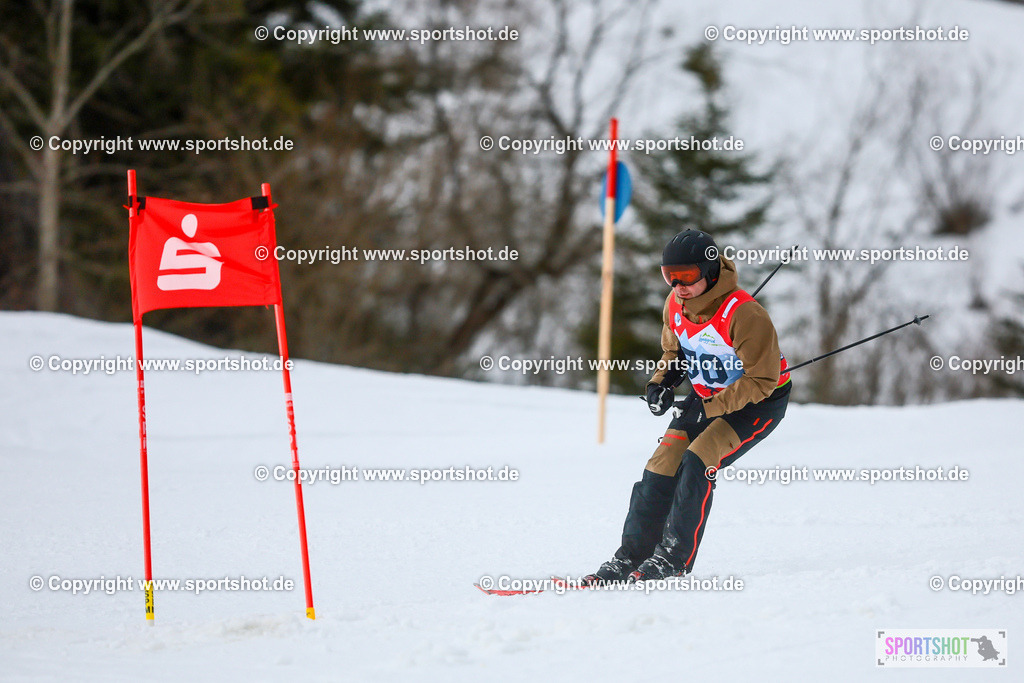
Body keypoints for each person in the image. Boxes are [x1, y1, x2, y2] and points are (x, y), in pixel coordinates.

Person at [586, 229, 792, 584]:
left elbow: (762, 380)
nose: (678, 285)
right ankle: (632, 556)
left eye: (687, 276)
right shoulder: (675, 304)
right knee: (661, 464)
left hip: (758, 402)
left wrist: (709, 408)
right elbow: (676, 353)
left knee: (699, 459)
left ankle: (673, 560)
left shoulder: (746, 315)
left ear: (710, 272)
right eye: (670, 276)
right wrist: (661, 384)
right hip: (707, 396)